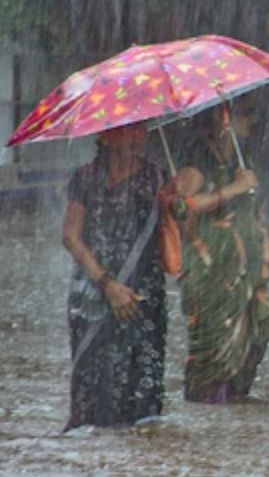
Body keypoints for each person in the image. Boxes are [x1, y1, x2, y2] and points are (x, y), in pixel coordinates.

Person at [62, 124, 168, 431]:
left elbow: (176, 241)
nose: (138, 137)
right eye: (128, 130)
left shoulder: (159, 179)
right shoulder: (85, 177)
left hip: (142, 299)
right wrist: (108, 285)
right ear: (104, 136)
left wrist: (182, 206)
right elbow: (70, 237)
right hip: (94, 295)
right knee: (93, 390)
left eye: (141, 129)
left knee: (142, 398)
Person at [172, 97, 269, 403]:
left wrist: (267, 247)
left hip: (246, 270)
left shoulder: (244, 158)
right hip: (212, 273)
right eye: (247, 112)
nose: (253, 120)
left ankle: (236, 405)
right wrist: (233, 189)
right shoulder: (199, 156)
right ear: (223, 117)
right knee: (214, 349)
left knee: (260, 328)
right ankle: (208, 409)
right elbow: (182, 205)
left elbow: (256, 209)